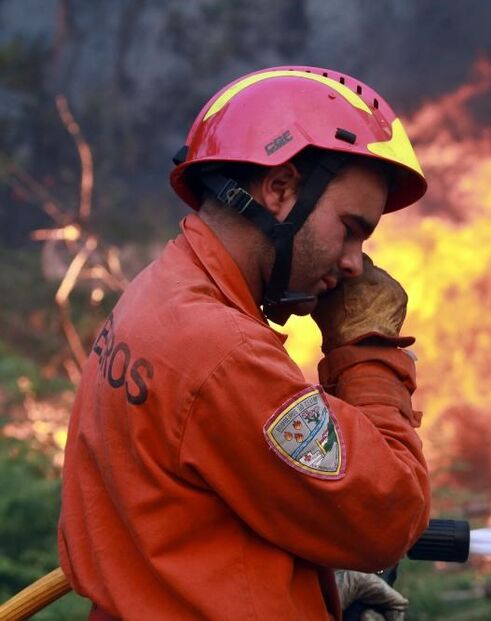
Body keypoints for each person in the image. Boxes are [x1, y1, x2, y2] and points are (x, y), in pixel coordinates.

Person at [58, 66, 431, 620]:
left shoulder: (161, 292)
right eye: (350, 228)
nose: (355, 263)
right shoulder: (226, 355)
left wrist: (317, 582)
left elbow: (207, 517)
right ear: (280, 189)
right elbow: (388, 515)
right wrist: (369, 347)